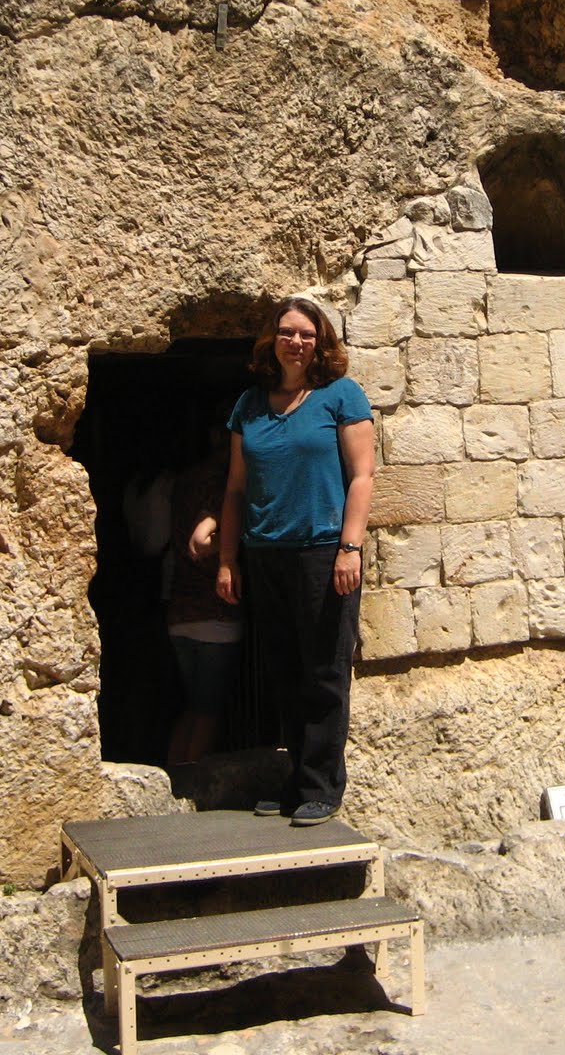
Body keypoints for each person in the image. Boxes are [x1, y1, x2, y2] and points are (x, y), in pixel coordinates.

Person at [217, 296, 375, 826]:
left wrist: (349, 547)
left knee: (324, 670)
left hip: (322, 553)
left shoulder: (340, 396)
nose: (297, 342)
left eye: (307, 334)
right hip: (266, 553)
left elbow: (362, 477)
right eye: (287, 332)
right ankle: (295, 781)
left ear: (320, 341)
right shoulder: (250, 406)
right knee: (283, 670)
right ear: (272, 340)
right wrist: (227, 559)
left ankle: (323, 787)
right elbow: (236, 490)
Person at [164, 435, 242, 766]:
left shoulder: (182, 483)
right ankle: (190, 787)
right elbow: (203, 541)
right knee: (209, 712)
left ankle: (172, 775)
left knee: (193, 706)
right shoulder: (222, 488)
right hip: (215, 614)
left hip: (180, 612)